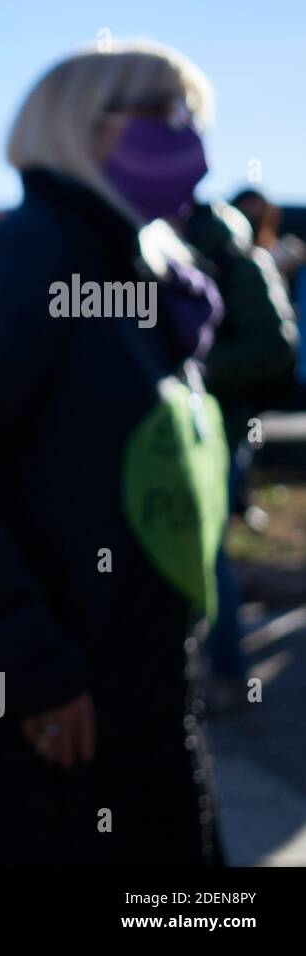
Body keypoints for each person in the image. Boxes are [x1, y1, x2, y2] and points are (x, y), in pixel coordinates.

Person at [0, 41, 227, 864]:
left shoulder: (140, 259)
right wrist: (28, 667)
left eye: (190, 118)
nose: (187, 138)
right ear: (83, 126)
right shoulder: (31, 255)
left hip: (138, 689)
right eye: (163, 116)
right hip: (53, 715)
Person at [183, 199, 299, 704]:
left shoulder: (244, 266)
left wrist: (199, 368)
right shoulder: (178, 257)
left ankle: (227, 672)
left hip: (223, 430)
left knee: (208, 555)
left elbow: (277, 346)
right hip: (180, 432)